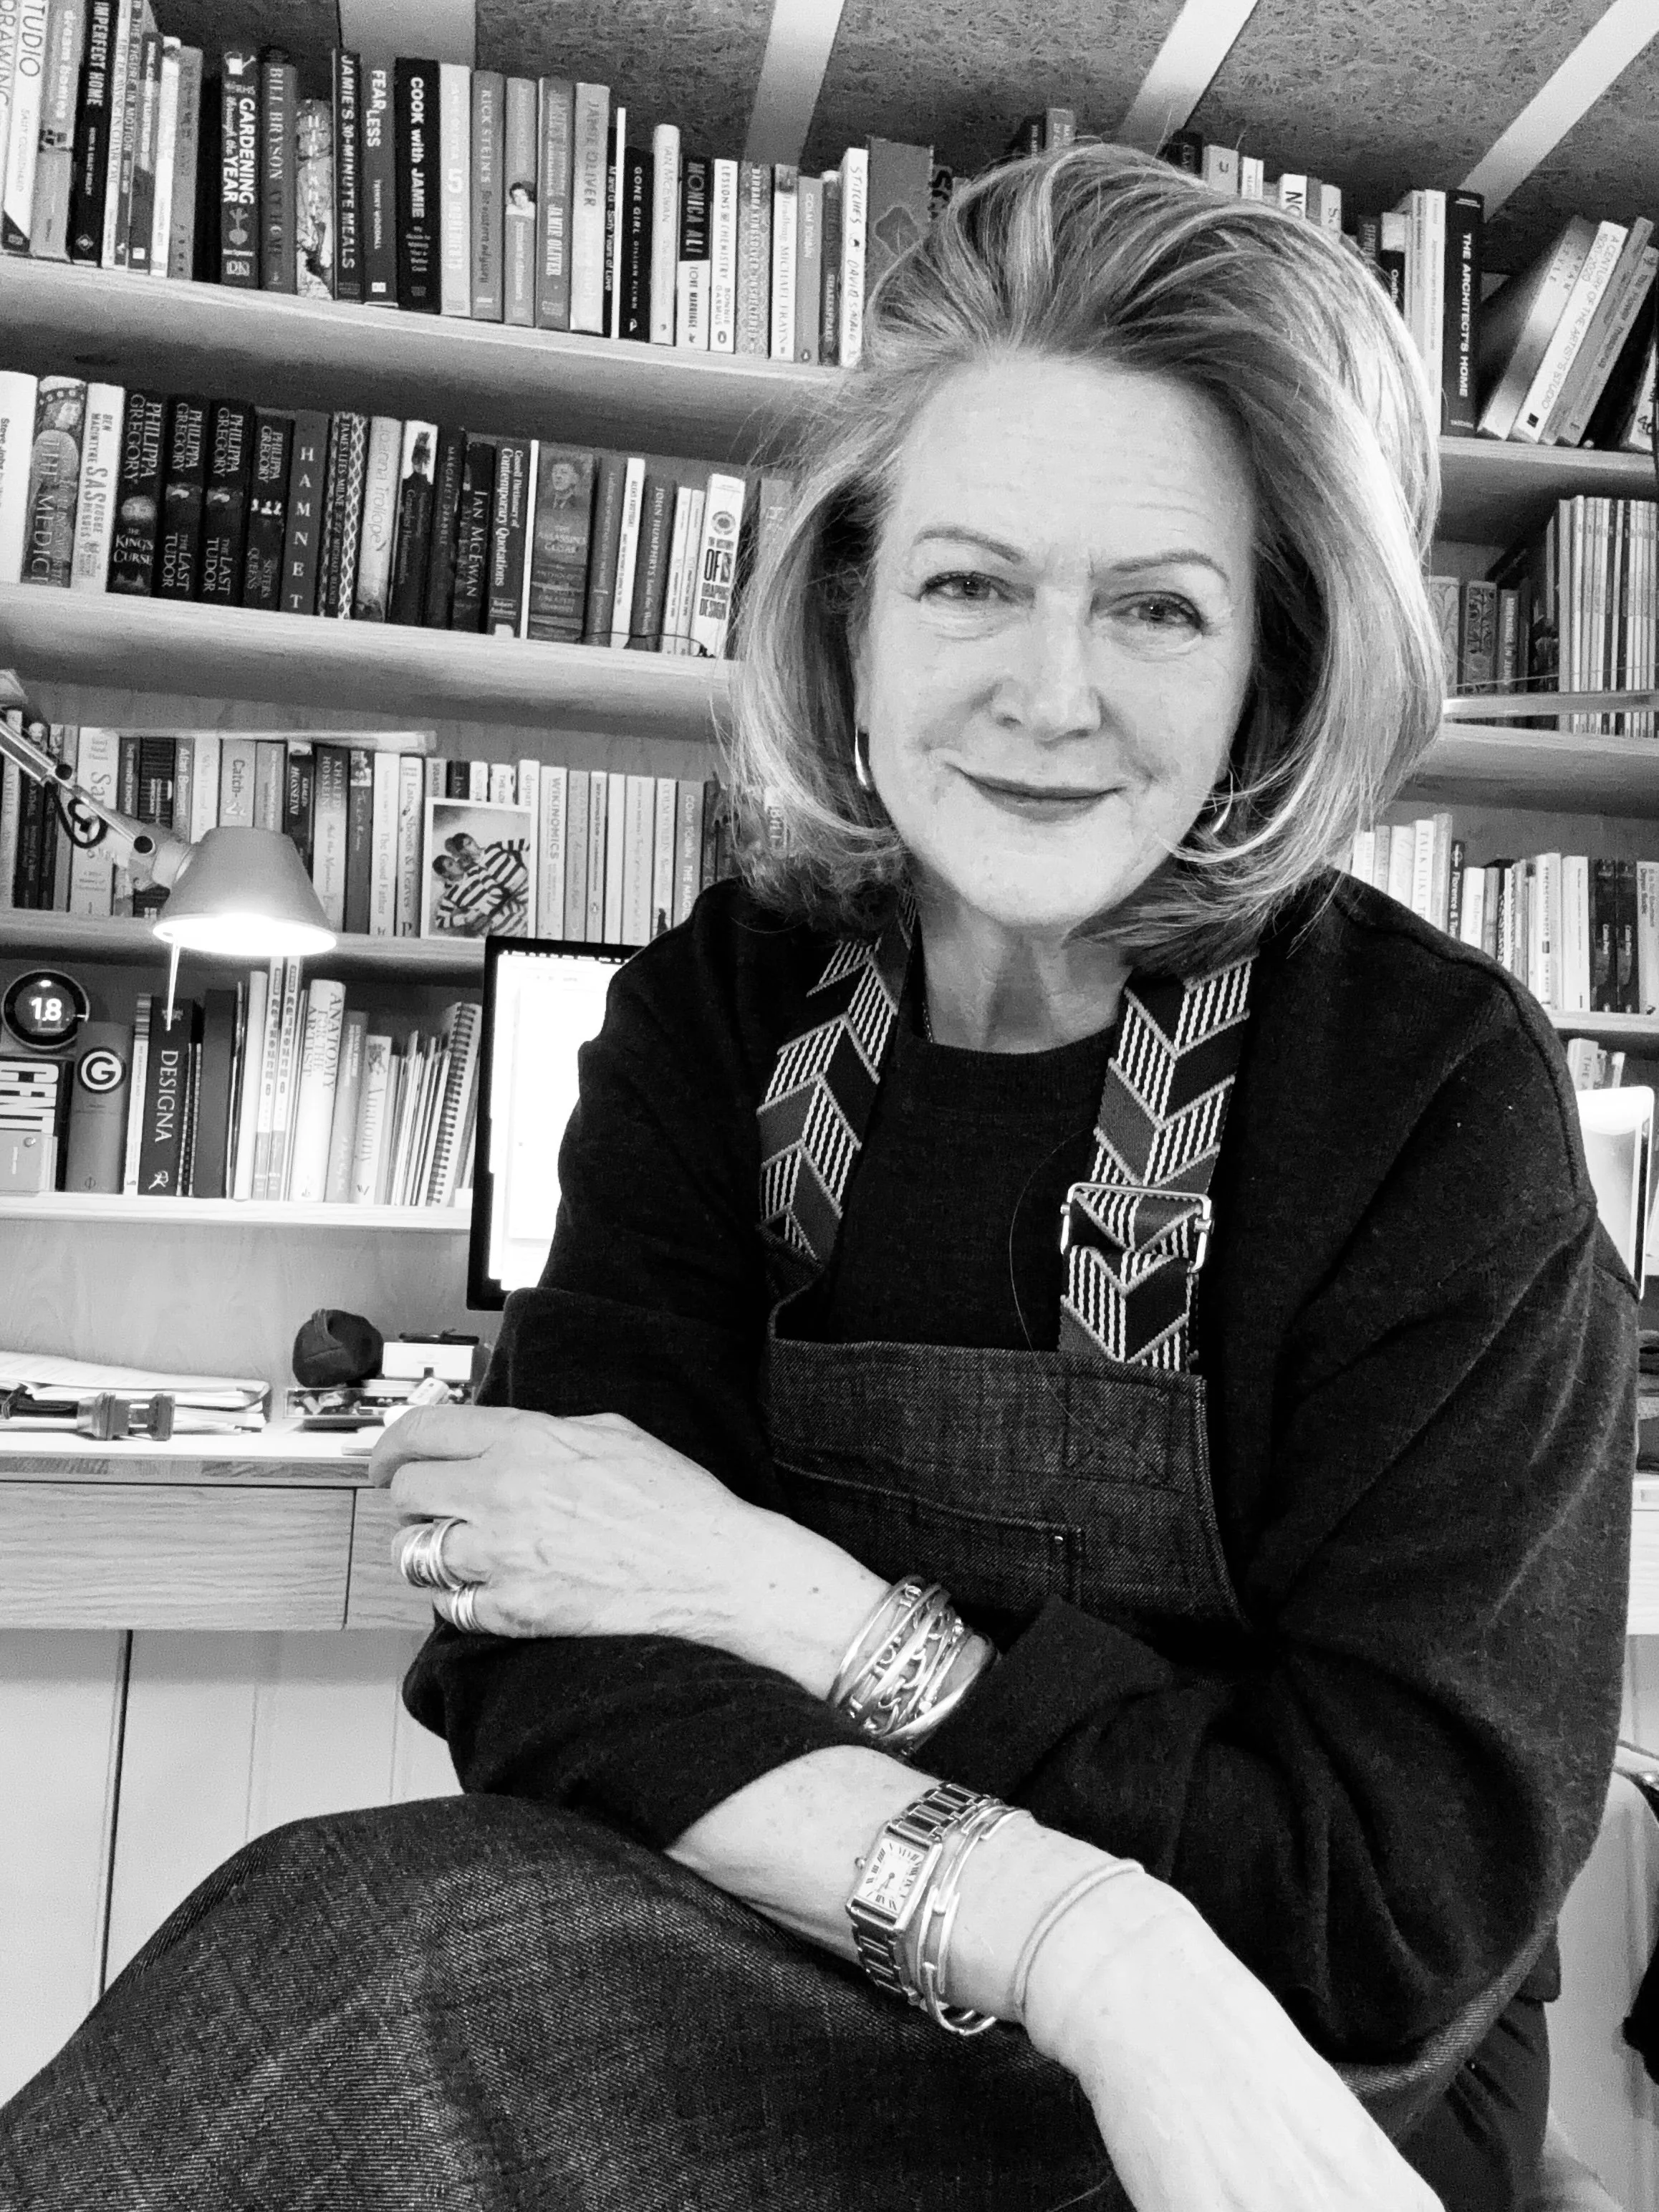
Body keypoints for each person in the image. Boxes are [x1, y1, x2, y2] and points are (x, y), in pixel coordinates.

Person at [0, 143, 1634, 2212]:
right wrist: (1065, 1930)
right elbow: (534, 1647)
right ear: (846, 617)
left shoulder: (1420, 1089)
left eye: (1153, 606)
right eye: (969, 582)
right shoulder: (725, 1014)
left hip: (1292, 2089)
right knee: (341, 1956)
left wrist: (788, 1602)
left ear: (1265, 680)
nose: (1049, 693)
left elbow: (1381, 1918)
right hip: (845, 1943)